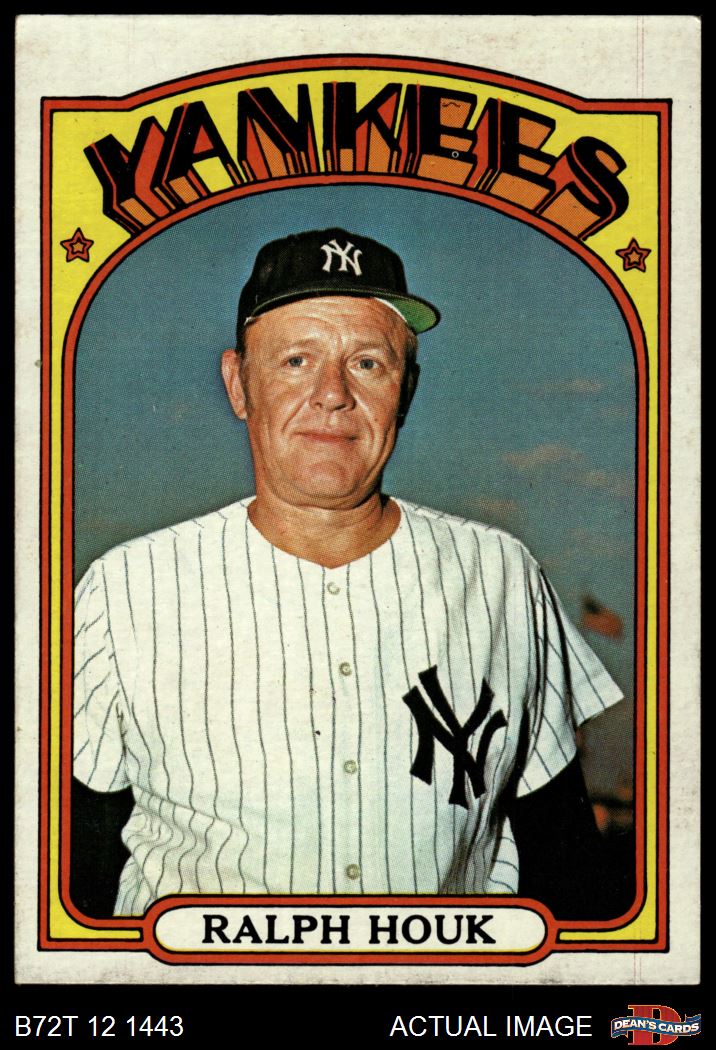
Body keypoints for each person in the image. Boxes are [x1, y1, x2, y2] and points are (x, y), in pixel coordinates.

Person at [72, 227, 627, 920]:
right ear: (238, 384)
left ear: (407, 389)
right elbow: (72, 868)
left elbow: (565, 862)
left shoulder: (502, 575)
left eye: (367, 363)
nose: (332, 394)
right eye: (296, 360)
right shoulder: (126, 588)